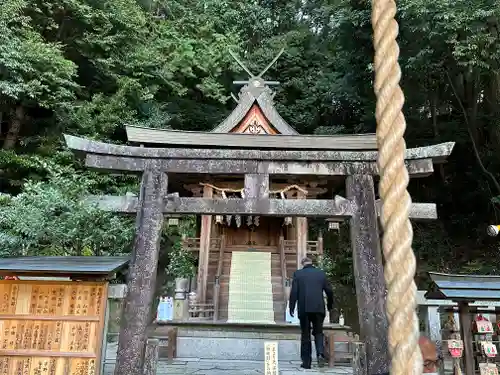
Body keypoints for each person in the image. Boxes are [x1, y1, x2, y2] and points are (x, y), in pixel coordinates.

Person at [289, 257, 334, 369]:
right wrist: (330, 305)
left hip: (304, 308)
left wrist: (291, 306)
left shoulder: (298, 274)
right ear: (312, 263)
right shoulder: (321, 274)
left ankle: (306, 362)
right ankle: (320, 354)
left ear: (303, 264)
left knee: (305, 334)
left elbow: (294, 291)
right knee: (318, 332)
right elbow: (329, 291)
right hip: (319, 308)